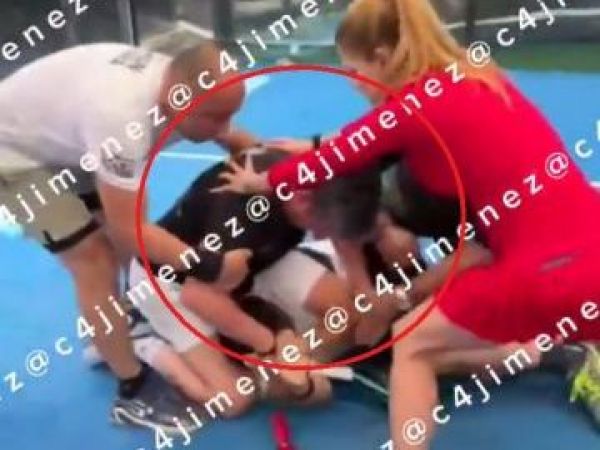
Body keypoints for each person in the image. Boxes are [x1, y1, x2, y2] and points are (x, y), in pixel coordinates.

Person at [213, 0, 600, 447]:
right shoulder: (481, 78)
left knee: (412, 343)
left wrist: (261, 181)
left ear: (381, 57)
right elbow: (366, 139)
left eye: (355, 70)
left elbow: (342, 155)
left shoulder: (414, 106)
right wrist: (317, 145)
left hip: (546, 272)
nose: (354, 83)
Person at [0, 40, 257, 432]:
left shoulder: (183, 84)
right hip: (14, 153)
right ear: (176, 96)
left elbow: (223, 126)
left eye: (230, 116)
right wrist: (210, 266)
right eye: (215, 118)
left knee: (118, 233)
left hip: (66, 139)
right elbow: (130, 232)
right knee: (95, 259)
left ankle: (119, 328)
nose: (223, 128)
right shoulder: (122, 119)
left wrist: (268, 159)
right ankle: (133, 391)